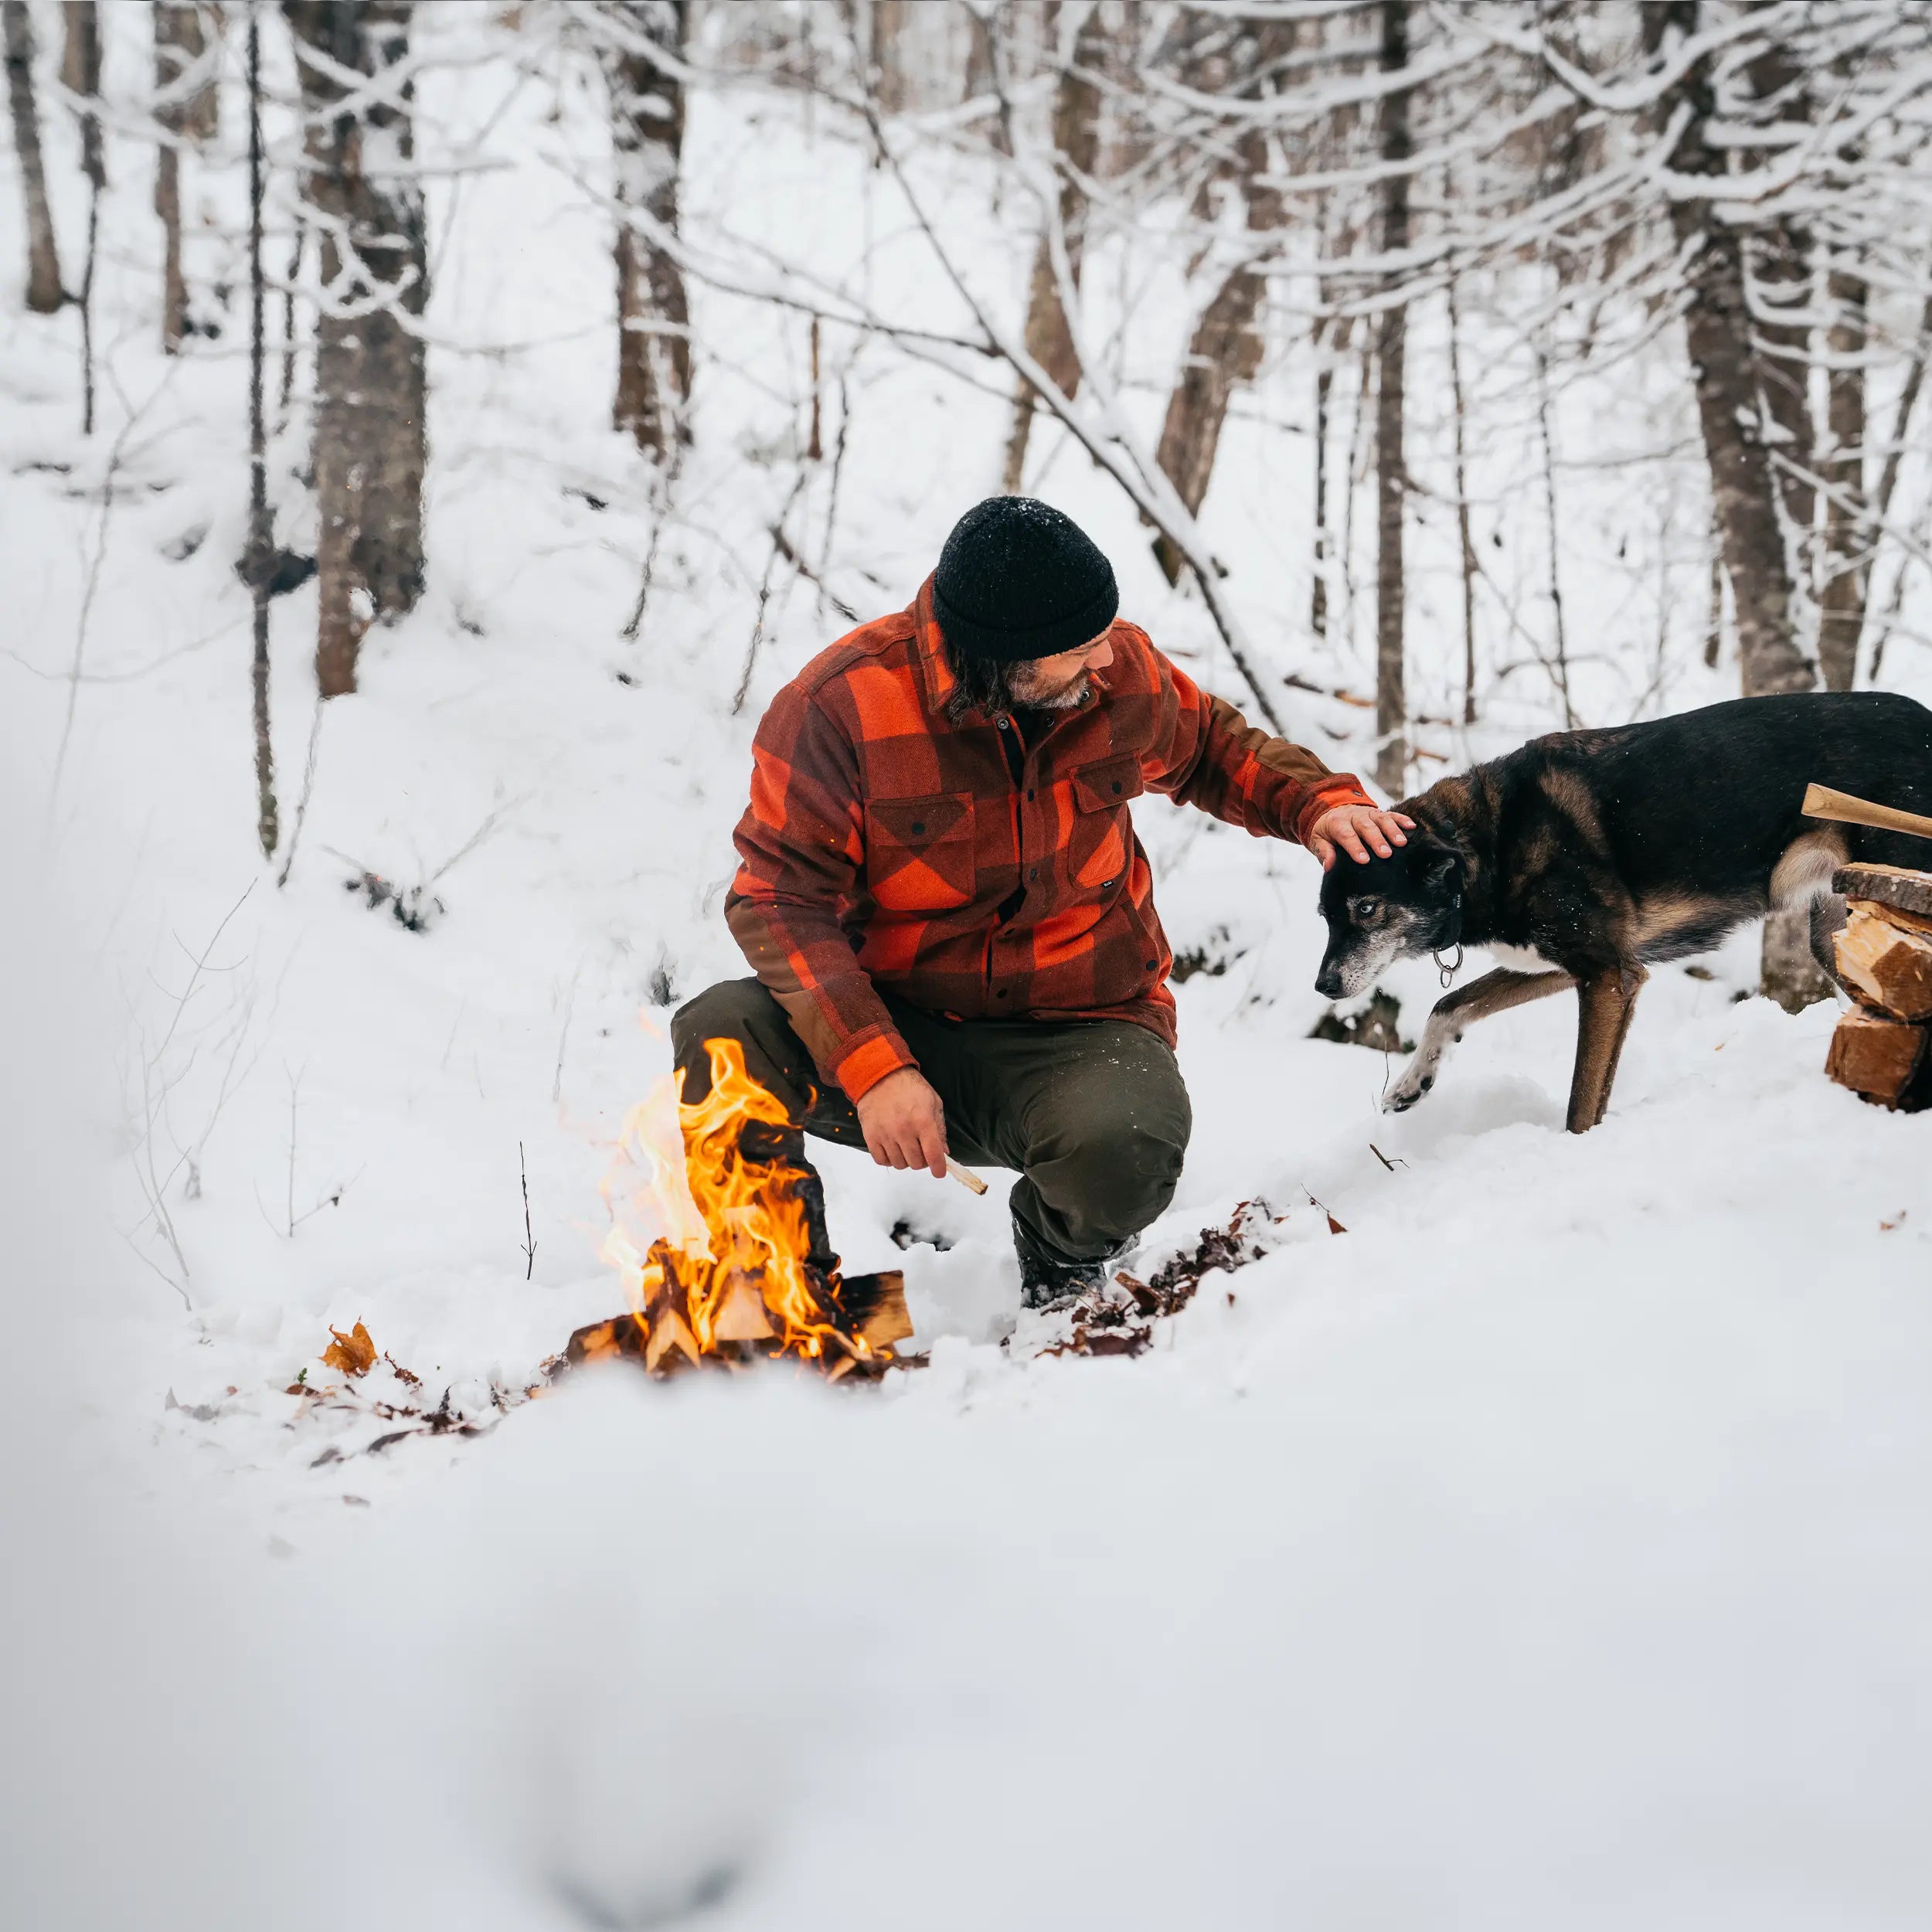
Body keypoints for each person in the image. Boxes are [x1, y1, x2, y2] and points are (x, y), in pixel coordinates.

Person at [673, 497, 1412, 1305]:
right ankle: (784, 1303)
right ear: (1002, 657)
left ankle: (1061, 1276)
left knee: (1125, 1150)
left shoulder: (1115, 671)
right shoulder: (839, 708)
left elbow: (1209, 745)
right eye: (1080, 649)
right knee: (720, 1038)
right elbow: (777, 897)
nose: (1106, 659)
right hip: (897, 1019)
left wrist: (1317, 805)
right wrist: (874, 1064)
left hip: (1077, 1023)